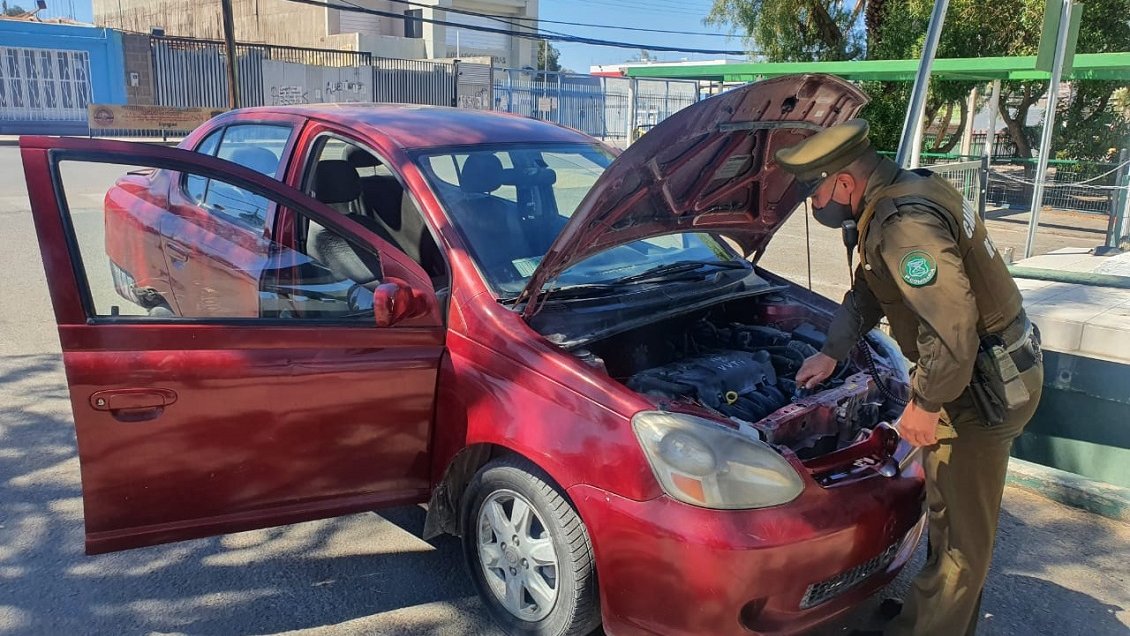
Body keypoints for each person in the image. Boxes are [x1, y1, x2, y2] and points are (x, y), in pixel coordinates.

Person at [775, 120, 1045, 636]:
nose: (813, 206)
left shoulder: (905, 224)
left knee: (962, 538)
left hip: (980, 388)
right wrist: (831, 354)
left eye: (815, 193)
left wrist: (925, 402)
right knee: (947, 513)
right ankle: (933, 615)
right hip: (975, 375)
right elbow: (870, 290)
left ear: (844, 183)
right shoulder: (902, 191)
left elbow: (952, 325)